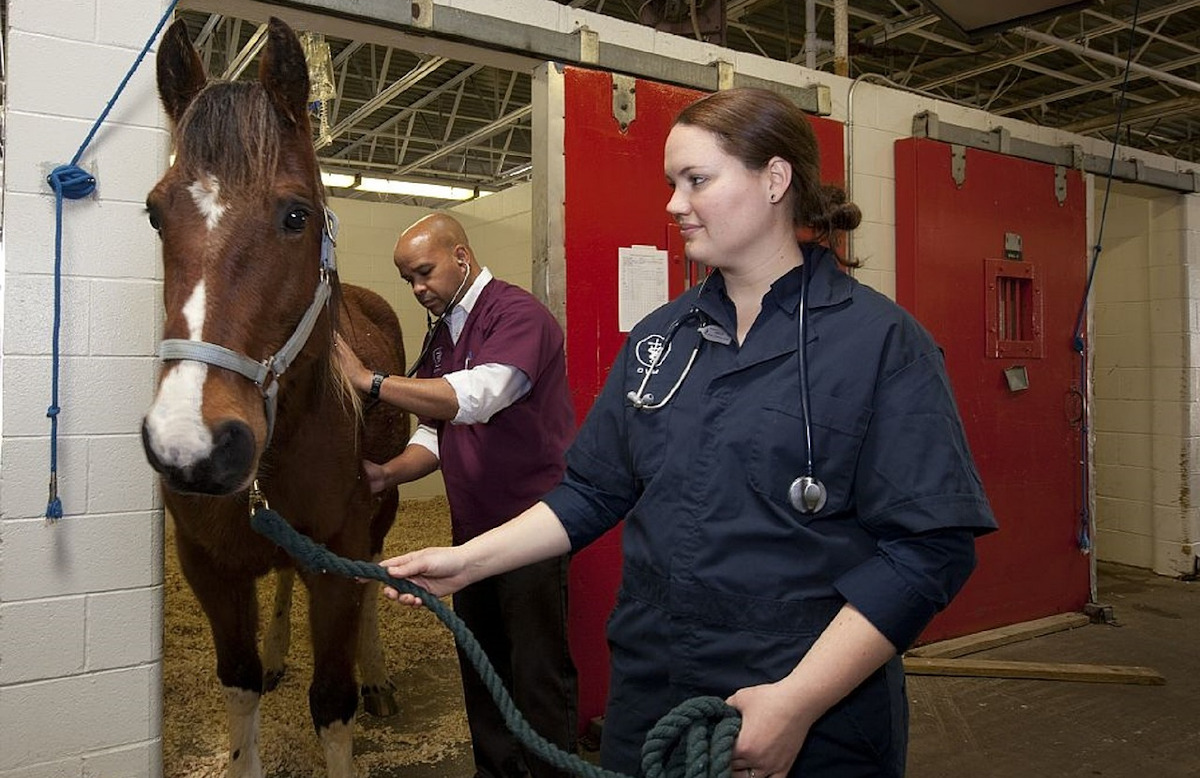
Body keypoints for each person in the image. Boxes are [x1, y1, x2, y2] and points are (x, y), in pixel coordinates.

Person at [378, 88, 997, 778]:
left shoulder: (880, 342)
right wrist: (469, 563)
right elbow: (590, 491)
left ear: (774, 180)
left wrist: (796, 703)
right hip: (656, 693)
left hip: (808, 706)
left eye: (696, 180)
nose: (674, 204)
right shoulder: (659, 340)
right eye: (672, 184)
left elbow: (928, 552)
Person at [335, 212, 579, 778]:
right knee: (482, 662)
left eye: (424, 273)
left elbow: (479, 396)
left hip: (531, 527)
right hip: (472, 531)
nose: (419, 289)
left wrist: (371, 381)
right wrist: (386, 474)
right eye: (408, 281)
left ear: (461, 258)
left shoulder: (518, 315)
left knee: (536, 671)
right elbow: (436, 431)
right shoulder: (444, 330)